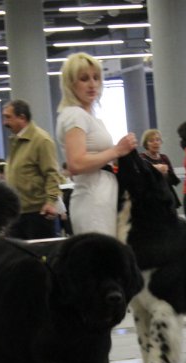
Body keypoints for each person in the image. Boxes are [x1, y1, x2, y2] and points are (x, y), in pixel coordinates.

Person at [56, 52, 137, 237]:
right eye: (84, 79)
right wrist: (117, 150)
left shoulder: (89, 118)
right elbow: (76, 164)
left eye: (96, 78)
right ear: (71, 83)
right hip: (92, 201)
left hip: (102, 198)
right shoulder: (74, 115)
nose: (92, 84)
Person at [2, 99, 64, 239]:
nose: (4, 123)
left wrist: (50, 202)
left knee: (39, 257)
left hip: (38, 213)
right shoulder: (15, 140)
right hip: (18, 212)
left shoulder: (41, 140)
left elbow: (52, 174)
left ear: (22, 117)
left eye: (8, 117)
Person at [140, 128, 181, 209]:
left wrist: (166, 173)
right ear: (146, 144)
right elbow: (142, 179)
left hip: (167, 195)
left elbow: (174, 181)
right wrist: (155, 169)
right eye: (151, 141)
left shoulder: (164, 158)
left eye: (158, 140)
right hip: (151, 198)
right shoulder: (141, 158)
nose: (155, 143)